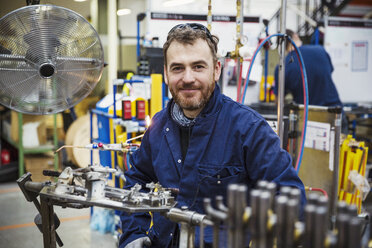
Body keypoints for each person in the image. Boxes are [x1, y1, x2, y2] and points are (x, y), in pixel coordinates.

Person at [119, 23, 306, 248]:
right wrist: (134, 234)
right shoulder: (158, 127)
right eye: (178, 68)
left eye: (198, 66)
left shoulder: (248, 129)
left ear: (216, 70)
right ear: (166, 74)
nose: (188, 78)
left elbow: (290, 198)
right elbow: (136, 179)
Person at [273, 29, 343, 108]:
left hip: (307, 115)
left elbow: (278, 101)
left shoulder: (282, 67)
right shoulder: (320, 50)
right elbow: (329, 72)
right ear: (295, 35)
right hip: (334, 111)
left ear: (280, 46)